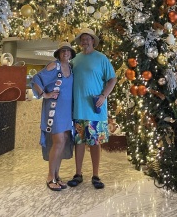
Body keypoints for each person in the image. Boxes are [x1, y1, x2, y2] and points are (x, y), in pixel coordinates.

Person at [67, 28, 117, 190]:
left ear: (93, 41)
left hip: (96, 109)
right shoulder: (75, 60)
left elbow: (112, 79)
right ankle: (78, 174)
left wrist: (103, 96)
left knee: (95, 143)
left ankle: (96, 175)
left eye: (87, 39)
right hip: (78, 110)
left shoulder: (102, 58)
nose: (85, 41)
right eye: (82, 39)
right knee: (79, 142)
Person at [31, 42, 75, 191]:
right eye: (63, 51)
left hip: (67, 111)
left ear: (71, 54)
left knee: (63, 142)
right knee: (59, 141)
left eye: (68, 51)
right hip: (54, 110)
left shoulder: (71, 68)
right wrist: (45, 94)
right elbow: (36, 79)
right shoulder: (53, 66)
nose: (65, 53)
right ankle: (50, 176)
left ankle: (57, 174)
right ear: (58, 53)